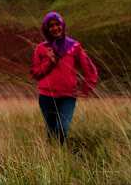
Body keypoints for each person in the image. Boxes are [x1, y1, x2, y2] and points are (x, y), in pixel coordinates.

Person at [30, 12, 98, 145]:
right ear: (46, 29)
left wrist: (86, 89)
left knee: (62, 130)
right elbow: (35, 73)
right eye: (51, 26)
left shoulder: (74, 46)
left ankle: (59, 156)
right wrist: (49, 61)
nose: (55, 28)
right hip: (46, 96)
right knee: (50, 132)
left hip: (67, 96)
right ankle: (53, 160)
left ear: (63, 25)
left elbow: (89, 68)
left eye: (57, 24)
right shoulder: (41, 48)